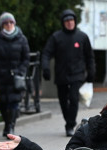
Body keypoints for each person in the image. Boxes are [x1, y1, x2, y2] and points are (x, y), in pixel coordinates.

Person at [40, 8, 95, 136]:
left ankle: (70, 125)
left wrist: (91, 72)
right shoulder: (56, 37)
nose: (69, 23)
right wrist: (46, 68)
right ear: (63, 23)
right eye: (67, 21)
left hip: (77, 74)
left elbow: (89, 56)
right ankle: (67, 120)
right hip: (61, 74)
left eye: (71, 20)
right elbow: (46, 53)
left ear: (75, 21)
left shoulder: (82, 37)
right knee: (63, 100)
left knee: (74, 99)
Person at [0, 12, 30, 138]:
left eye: (11, 22)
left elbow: (26, 58)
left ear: (14, 23)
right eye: (6, 23)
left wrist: (21, 71)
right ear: (2, 25)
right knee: (3, 103)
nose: (9, 25)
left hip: (16, 78)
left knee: (14, 102)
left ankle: (11, 125)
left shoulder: (22, 39)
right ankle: (7, 123)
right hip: (1, 77)